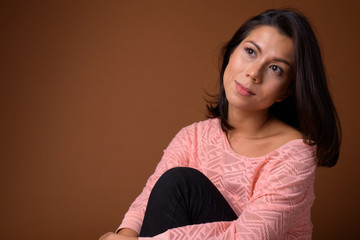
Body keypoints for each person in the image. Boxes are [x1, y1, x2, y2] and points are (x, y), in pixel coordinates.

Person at [99, 8, 341, 240]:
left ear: (285, 91)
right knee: (172, 184)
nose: (254, 73)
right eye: (250, 52)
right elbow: (148, 199)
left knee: (180, 183)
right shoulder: (193, 136)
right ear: (231, 54)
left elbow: (251, 237)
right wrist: (124, 235)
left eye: (275, 68)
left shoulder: (294, 155)